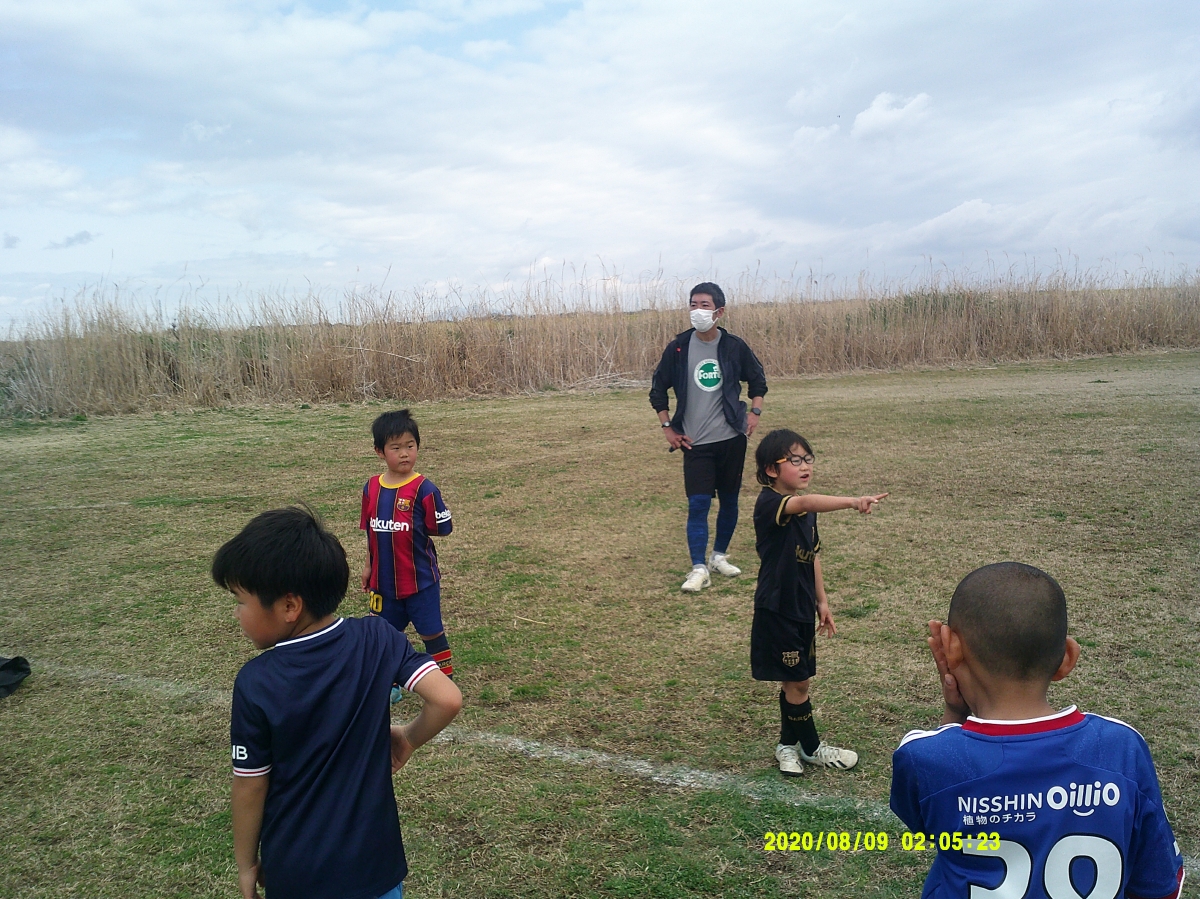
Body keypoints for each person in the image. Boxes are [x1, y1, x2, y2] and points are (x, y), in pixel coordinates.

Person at [891, 562, 1184, 899]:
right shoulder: (1122, 748)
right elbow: (1159, 885)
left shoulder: (924, 756)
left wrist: (955, 713)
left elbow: (929, 823)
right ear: (1067, 658)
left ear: (951, 647)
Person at [214, 506, 462, 899]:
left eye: (241, 601)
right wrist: (408, 738)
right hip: (377, 870)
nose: (237, 613)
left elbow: (250, 785)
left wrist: (246, 864)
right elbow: (447, 699)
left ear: (290, 606)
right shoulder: (378, 637)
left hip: (299, 875)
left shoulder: (256, 682)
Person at [752, 428, 887, 776]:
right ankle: (811, 748)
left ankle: (787, 746)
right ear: (771, 469)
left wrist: (821, 602)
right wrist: (853, 501)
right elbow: (806, 502)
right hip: (777, 608)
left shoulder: (806, 513)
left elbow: (811, 556)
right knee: (797, 681)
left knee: (796, 680)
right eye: (794, 460)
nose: (805, 466)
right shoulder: (771, 504)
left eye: (807, 459)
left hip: (801, 607)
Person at [650, 282, 768, 593]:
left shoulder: (734, 346)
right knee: (699, 503)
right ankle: (698, 568)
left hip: (731, 439)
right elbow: (657, 390)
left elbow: (757, 381)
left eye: (704, 305)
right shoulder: (678, 348)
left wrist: (754, 413)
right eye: (693, 304)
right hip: (695, 443)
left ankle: (718, 557)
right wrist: (668, 427)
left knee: (729, 500)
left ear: (719, 311)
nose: (697, 311)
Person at [361, 409, 455, 691]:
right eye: (396, 447)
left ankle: (445, 686)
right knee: (382, 636)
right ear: (379, 451)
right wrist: (368, 565)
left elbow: (443, 528)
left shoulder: (424, 489)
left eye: (410, 446)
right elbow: (371, 531)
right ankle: (387, 687)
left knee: (431, 633)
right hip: (383, 583)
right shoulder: (371, 488)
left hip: (420, 582)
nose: (404, 454)